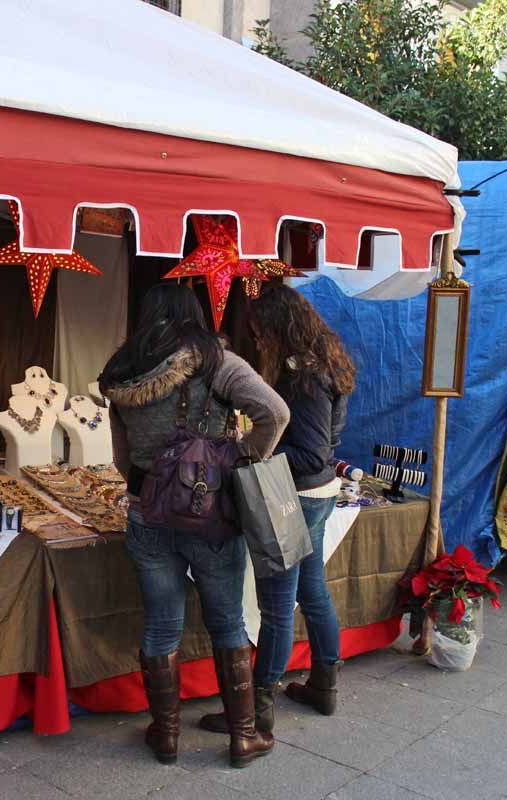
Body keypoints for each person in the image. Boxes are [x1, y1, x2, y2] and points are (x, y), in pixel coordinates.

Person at [99, 283, 289, 768]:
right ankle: (243, 737)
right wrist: (241, 457)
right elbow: (275, 413)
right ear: (194, 315)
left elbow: (122, 458)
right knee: (226, 620)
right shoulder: (215, 360)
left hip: (147, 511)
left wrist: (154, 483)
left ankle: (166, 736)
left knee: (162, 623)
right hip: (211, 514)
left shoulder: (120, 371)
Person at [200, 284, 354, 736]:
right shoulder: (328, 363)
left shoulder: (300, 376)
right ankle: (324, 683)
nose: (259, 340)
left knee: (279, 606)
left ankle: (257, 701)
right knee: (314, 590)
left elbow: (309, 452)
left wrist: (253, 452)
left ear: (279, 326)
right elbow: (326, 446)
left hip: (297, 497)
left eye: (260, 331)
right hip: (320, 492)